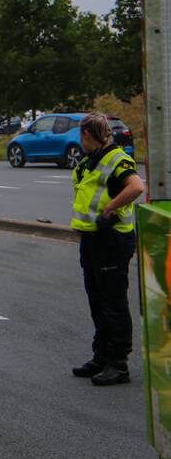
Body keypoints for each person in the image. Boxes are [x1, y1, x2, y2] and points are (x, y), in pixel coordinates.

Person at [69, 113, 144, 386]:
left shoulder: (116, 159)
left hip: (112, 240)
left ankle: (119, 364)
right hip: (93, 240)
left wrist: (111, 209)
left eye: (81, 135)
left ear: (86, 134)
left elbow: (136, 186)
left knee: (113, 303)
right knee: (97, 300)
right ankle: (101, 357)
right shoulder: (91, 159)